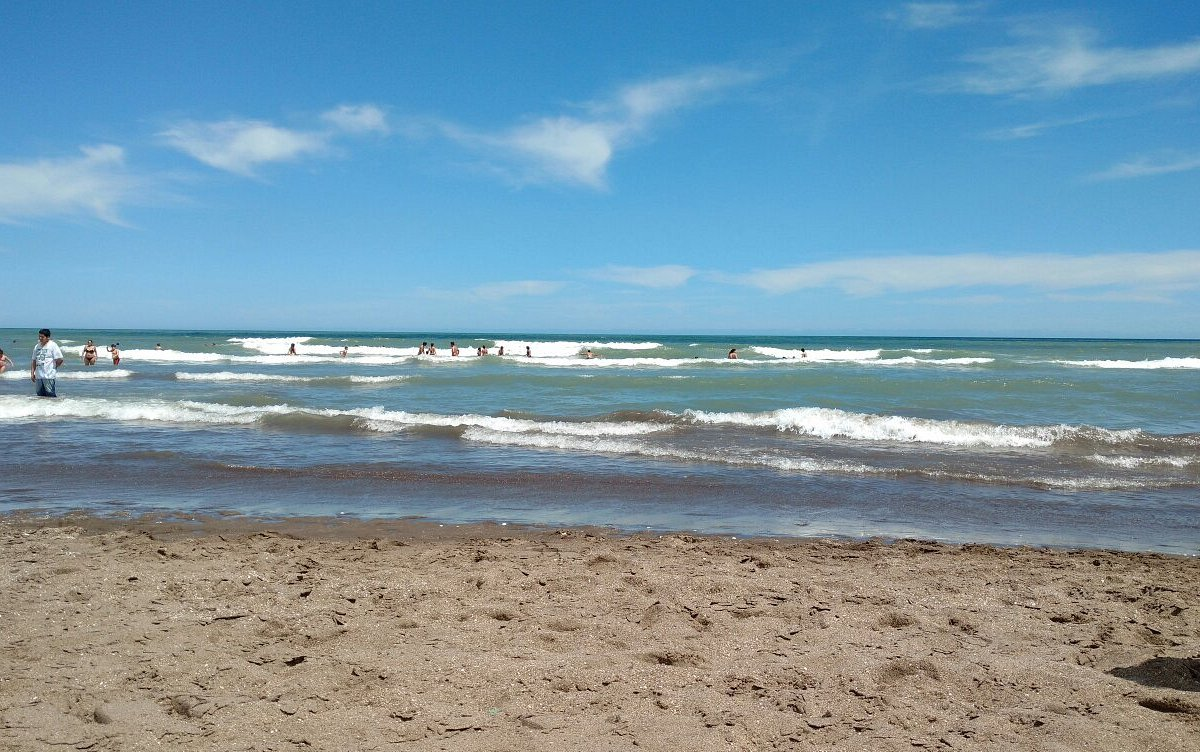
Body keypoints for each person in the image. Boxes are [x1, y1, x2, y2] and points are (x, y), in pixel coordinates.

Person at [31, 329, 65, 397]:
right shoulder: (37, 346)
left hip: (49, 376)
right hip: (38, 376)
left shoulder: (53, 345)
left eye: (42, 337)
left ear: (48, 337)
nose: (40, 338)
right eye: (39, 336)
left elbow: (60, 359)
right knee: (39, 395)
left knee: (50, 395)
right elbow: (34, 360)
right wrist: (32, 373)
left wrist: (54, 367)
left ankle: (52, 407)